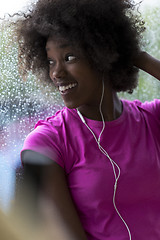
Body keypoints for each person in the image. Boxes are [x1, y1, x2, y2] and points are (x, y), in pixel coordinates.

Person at [14, 0, 160, 239]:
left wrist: (138, 57)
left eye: (69, 57)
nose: (56, 72)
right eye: (51, 61)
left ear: (101, 55)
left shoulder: (151, 119)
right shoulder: (46, 143)